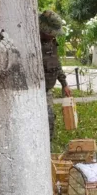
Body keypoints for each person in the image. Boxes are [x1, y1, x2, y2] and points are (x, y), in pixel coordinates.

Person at [39, 10, 71, 141]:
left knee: (50, 118)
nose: (53, 36)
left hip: (47, 89)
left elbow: (56, 62)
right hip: (34, 89)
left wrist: (64, 84)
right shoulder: (32, 42)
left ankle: (48, 148)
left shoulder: (52, 41)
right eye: (51, 32)